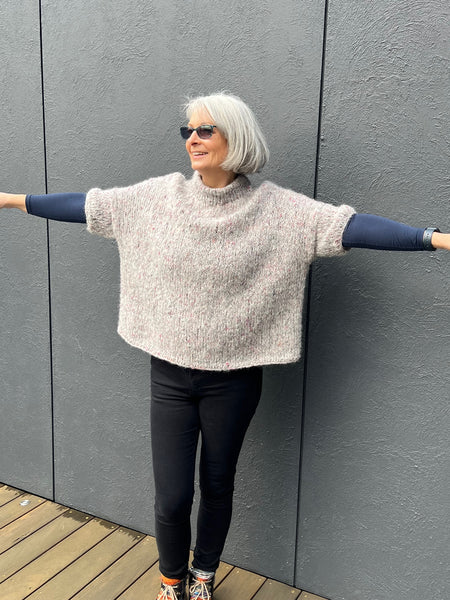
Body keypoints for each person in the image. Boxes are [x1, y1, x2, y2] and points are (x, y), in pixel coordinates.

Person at [1, 92, 449, 600]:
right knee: (172, 497)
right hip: (170, 376)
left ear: (236, 138)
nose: (192, 139)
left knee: (217, 485)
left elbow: (350, 226)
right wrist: (12, 200)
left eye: (205, 129)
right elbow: (88, 205)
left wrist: (434, 238)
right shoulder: (157, 199)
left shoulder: (278, 210)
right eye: (188, 130)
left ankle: (203, 575)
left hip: (234, 381)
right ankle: (171, 579)